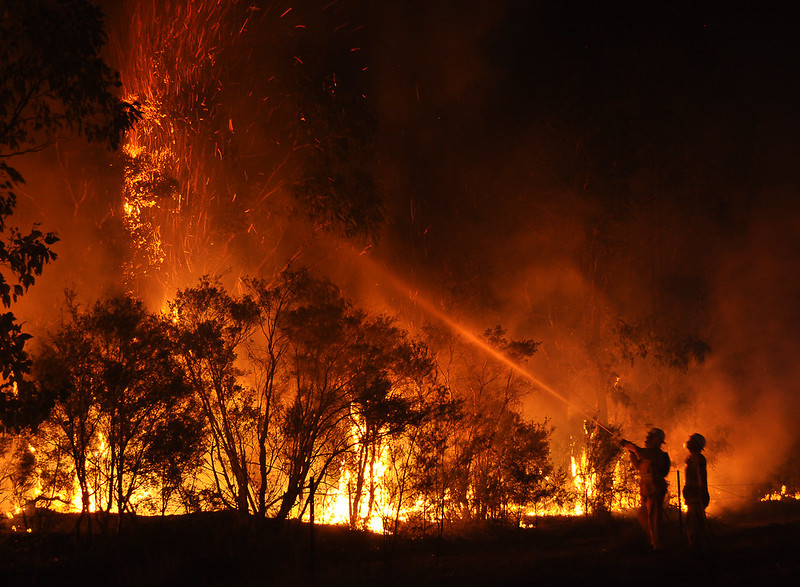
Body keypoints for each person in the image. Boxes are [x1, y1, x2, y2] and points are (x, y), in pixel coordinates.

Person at [621, 427, 671, 550]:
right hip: (645, 486)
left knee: (654, 514)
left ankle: (657, 542)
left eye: (651, 437)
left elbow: (640, 452)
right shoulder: (647, 453)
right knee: (644, 515)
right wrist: (632, 455)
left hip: (654, 486)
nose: (648, 439)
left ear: (657, 440)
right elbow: (639, 467)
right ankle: (651, 539)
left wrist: (628, 445)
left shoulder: (655, 453)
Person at [683, 433, 709, 550]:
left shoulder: (698, 458)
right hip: (691, 493)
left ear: (696, 444)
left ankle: (697, 546)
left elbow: (701, 476)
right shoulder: (692, 458)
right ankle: (694, 544)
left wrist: (702, 492)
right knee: (692, 519)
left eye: (691, 440)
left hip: (695, 493)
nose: (688, 442)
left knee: (695, 520)